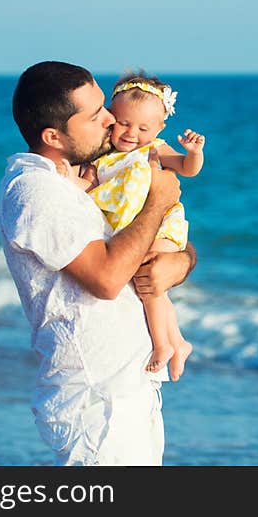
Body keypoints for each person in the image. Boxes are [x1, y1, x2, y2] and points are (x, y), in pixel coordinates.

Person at [0, 61, 196, 466]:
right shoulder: (36, 191)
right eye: (94, 115)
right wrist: (158, 200)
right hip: (95, 403)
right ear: (53, 135)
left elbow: (138, 239)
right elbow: (106, 278)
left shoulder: (88, 172)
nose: (111, 121)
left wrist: (181, 262)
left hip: (127, 387)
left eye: (105, 106)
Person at [58, 73, 204, 382]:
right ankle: (177, 341)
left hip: (163, 225)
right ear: (111, 116)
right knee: (153, 284)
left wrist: (194, 153)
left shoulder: (154, 150)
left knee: (150, 281)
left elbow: (187, 170)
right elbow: (88, 186)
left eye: (143, 128)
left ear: (159, 129)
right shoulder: (102, 158)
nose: (131, 134)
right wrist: (70, 180)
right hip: (134, 230)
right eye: (123, 123)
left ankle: (164, 345)